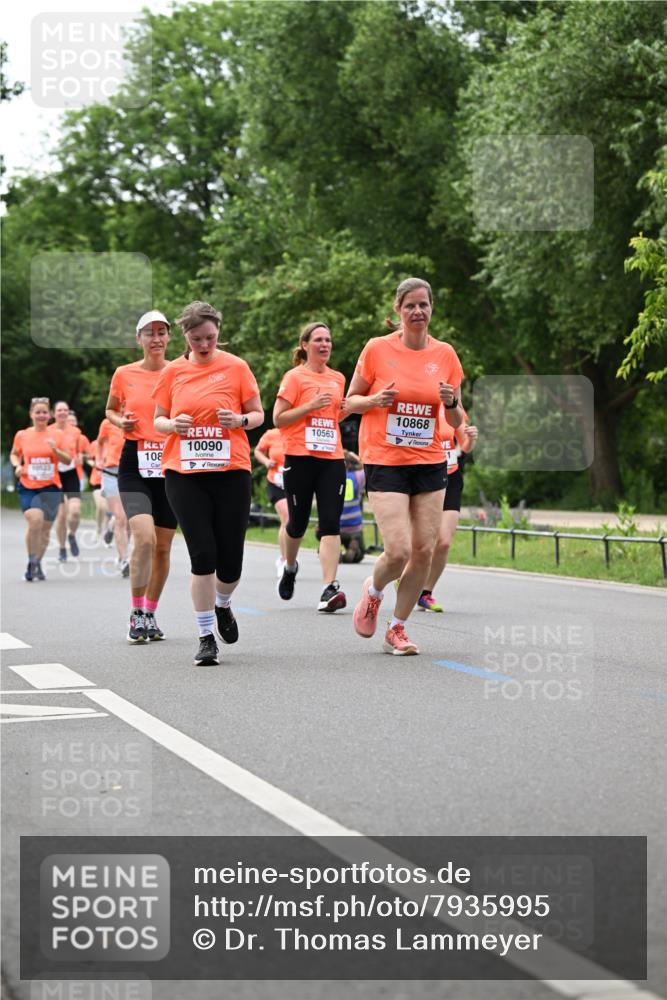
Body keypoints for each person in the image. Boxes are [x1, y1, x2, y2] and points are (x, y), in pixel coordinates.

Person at [345, 277, 464, 655]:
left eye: (423, 305)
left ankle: (397, 628)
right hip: (385, 459)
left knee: (424, 551)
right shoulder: (377, 349)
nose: (417, 311)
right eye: (410, 305)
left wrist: (450, 403)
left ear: (432, 309)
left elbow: (458, 420)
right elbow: (349, 402)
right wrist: (374, 400)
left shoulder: (445, 354)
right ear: (398, 310)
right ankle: (374, 591)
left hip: (429, 461)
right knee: (398, 551)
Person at [153, 300, 264, 666]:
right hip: (184, 473)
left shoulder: (236, 366)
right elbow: (158, 420)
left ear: (218, 333)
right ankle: (204, 637)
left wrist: (240, 421)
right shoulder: (172, 372)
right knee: (202, 555)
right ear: (185, 336)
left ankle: (223, 603)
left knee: (230, 563)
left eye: (210, 338)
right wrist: (173, 425)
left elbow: (258, 414)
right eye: (197, 338)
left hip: (231, 470)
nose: (204, 345)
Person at [106, 310, 178, 643]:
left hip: (170, 464)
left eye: (162, 332)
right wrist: (119, 422)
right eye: (149, 333)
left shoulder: (179, 372)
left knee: (163, 547)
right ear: (139, 338)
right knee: (145, 538)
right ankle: (136, 612)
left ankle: (150, 612)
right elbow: (111, 408)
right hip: (135, 462)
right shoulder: (124, 374)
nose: (156, 338)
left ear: (169, 337)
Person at [273, 322, 347, 612]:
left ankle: (329, 588)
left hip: (331, 458)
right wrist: (310, 406)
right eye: (318, 340)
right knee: (297, 523)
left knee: (331, 522)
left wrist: (358, 406)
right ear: (305, 345)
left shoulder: (338, 378)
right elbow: (279, 418)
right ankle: (290, 566)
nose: (325, 344)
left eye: (328, 340)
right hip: (299, 457)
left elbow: (335, 416)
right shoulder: (294, 377)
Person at [412, 415, 478, 612]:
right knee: (419, 540)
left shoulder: (452, 406)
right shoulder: (418, 403)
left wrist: (471, 438)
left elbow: (465, 446)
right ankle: (406, 576)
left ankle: (425, 593)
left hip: (450, 477)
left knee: (444, 541)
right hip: (423, 476)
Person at [10, 397, 71, 581]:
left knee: (45, 530)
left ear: (50, 414)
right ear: (31, 414)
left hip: (51, 487)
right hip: (29, 486)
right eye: (37, 412)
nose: (41, 415)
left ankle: (37, 562)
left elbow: (68, 459)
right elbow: (14, 454)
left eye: (44, 412)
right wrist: (17, 466)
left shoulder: (57, 435)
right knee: (35, 520)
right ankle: (31, 561)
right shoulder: (22, 435)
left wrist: (55, 451)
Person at [97, 416, 130, 576]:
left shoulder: (139, 418)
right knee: (121, 518)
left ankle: (111, 528)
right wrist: (99, 459)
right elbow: (100, 442)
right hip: (111, 473)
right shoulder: (108, 422)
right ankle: (124, 560)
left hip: (131, 474)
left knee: (129, 519)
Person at [52, 400, 85, 561]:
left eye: (65, 410)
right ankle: (62, 548)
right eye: (59, 410)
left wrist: (79, 457)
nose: (63, 412)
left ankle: (71, 535)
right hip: (55, 474)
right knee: (61, 515)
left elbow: (78, 451)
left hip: (71, 473)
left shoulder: (76, 431)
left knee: (75, 511)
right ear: (54, 413)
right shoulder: (49, 431)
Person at [254, 426, 288, 577]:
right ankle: (284, 559)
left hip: (295, 483)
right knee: (286, 517)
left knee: (295, 522)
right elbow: (257, 451)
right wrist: (266, 461)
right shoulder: (271, 434)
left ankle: (290, 556)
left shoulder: (299, 431)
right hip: (276, 482)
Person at [339, 451, 366, 564]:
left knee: (327, 536)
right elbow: (366, 467)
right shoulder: (357, 477)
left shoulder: (331, 478)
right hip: (354, 526)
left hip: (336, 527)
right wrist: (355, 457)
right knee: (361, 554)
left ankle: (332, 549)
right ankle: (354, 547)